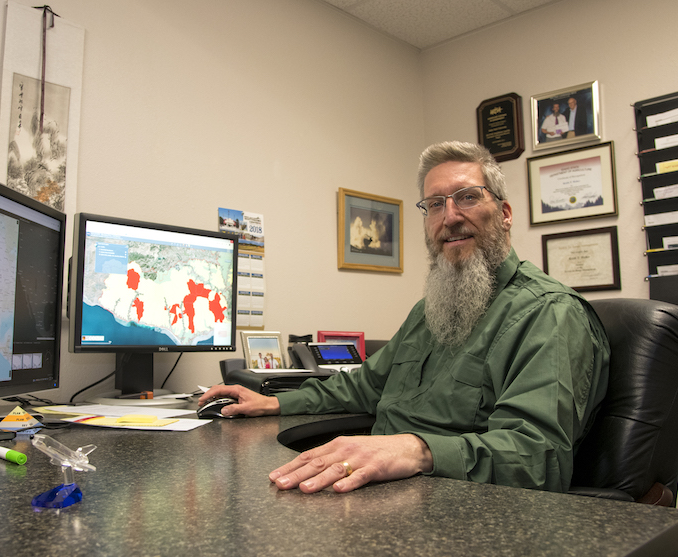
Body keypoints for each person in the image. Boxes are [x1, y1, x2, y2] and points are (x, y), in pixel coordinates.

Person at [200, 140, 610, 495]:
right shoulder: (431, 310)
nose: (449, 217)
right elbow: (363, 387)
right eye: (434, 205)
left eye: (467, 196)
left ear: (504, 213)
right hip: (379, 489)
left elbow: (538, 456)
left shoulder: (549, 314)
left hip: (462, 504)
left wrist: (415, 449)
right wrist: (273, 401)